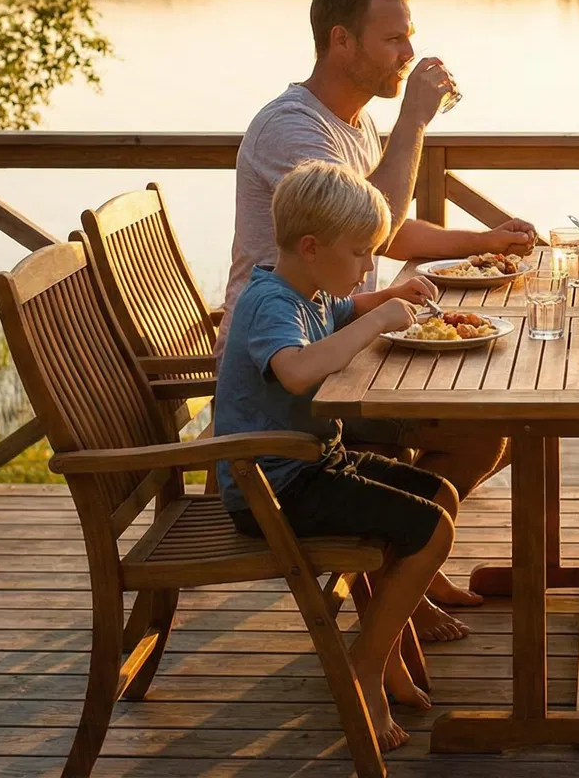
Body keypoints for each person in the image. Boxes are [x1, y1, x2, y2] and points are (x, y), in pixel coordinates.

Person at [225, 0, 536, 640]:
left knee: (492, 423)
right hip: (295, 376)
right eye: (394, 39)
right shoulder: (294, 133)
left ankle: (412, 561)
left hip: (337, 333)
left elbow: (383, 230)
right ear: (342, 42)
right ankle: (407, 568)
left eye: (410, 37)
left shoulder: (356, 122)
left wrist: (486, 238)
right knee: (478, 425)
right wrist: (415, 121)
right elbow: (380, 231)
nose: (408, 54)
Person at [214, 162, 459, 752]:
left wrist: (385, 297)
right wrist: (378, 318)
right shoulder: (271, 303)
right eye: (359, 254)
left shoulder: (311, 288)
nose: (366, 266)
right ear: (311, 247)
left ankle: (383, 645)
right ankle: (368, 661)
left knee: (439, 496)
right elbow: (296, 371)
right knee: (429, 528)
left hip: (311, 463)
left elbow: (343, 314)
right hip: (271, 486)